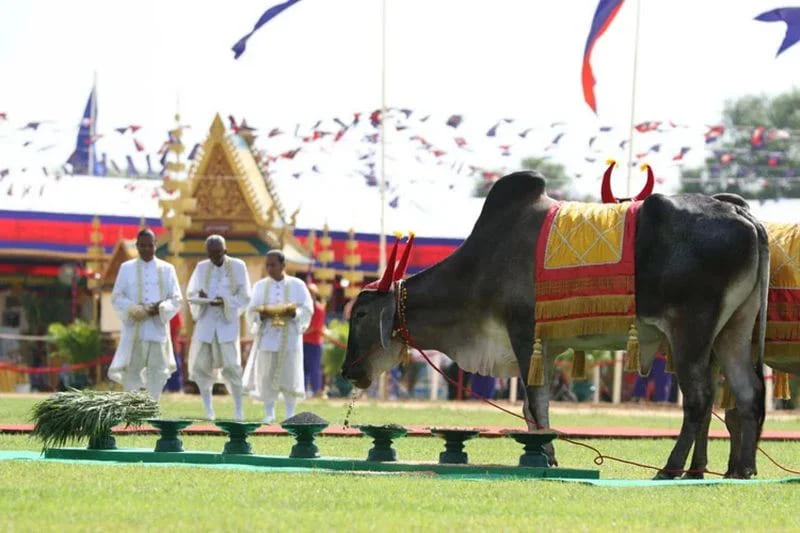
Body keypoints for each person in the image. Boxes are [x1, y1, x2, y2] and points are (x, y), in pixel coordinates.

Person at [108, 229, 182, 401]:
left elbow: (177, 298)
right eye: (142, 245)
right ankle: (132, 409)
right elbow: (117, 297)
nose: (146, 249)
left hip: (158, 329)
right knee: (132, 370)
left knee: (157, 371)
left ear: (156, 245)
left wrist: (159, 308)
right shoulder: (126, 268)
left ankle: (152, 407)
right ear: (137, 246)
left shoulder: (167, 269)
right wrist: (133, 308)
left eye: (150, 245)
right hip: (135, 330)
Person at [186, 235, 251, 421]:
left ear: (225, 251)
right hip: (205, 325)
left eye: (218, 253)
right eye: (211, 254)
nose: (214, 257)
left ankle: (238, 410)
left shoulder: (238, 266)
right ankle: (208, 410)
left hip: (226, 325)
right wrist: (201, 296)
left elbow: (246, 296)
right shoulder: (201, 267)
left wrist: (226, 302)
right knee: (201, 367)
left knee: (232, 367)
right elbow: (191, 294)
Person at [243, 250, 313, 423]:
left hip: (289, 337)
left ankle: (289, 413)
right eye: (267, 265)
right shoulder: (260, 286)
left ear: (283, 265)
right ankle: (269, 413)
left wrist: (294, 313)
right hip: (267, 337)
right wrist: (261, 315)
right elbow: (251, 311)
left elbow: (307, 308)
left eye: (273, 265)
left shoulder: (298, 285)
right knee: (266, 374)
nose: (269, 268)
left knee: (289, 375)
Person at [302, 283, 326, 398]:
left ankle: (317, 391)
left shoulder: (319, 309)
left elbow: (315, 327)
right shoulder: (303, 308)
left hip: (314, 344)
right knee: (302, 368)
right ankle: (302, 391)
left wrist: (300, 332)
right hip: (302, 342)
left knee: (314, 368)